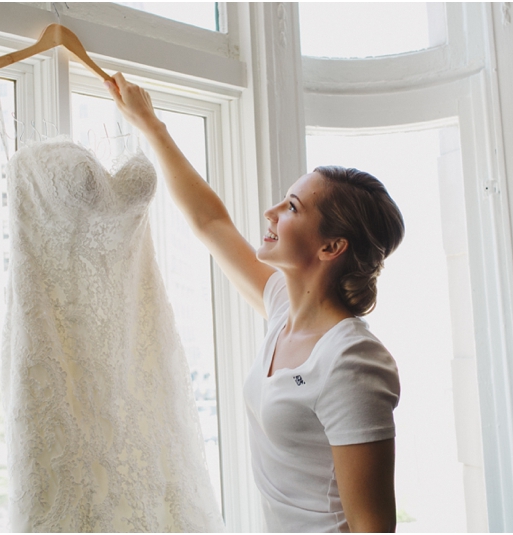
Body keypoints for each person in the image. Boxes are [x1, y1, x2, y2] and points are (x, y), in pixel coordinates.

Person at [105, 72, 404, 533]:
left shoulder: (352, 361)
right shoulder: (283, 306)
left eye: (292, 207)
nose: (272, 213)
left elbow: (373, 526)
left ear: (331, 248)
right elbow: (210, 221)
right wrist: (150, 125)